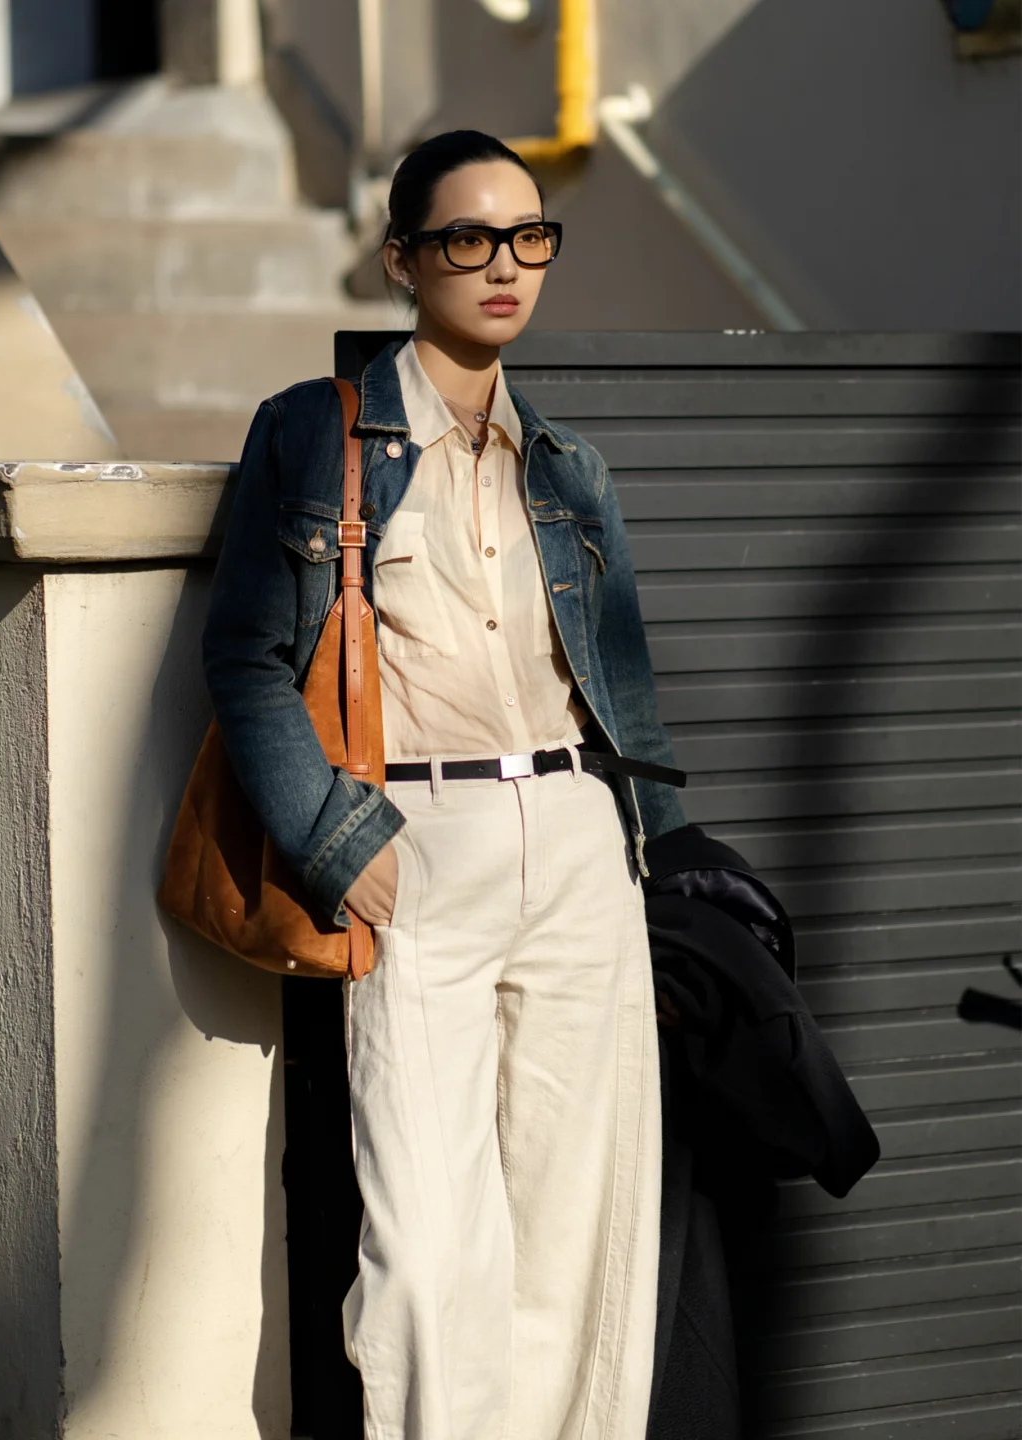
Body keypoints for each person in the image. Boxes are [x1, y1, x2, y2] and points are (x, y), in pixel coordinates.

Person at [203, 129, 686, 1440]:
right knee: (425, 1253)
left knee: (577, 1239)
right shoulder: (316, 435)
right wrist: (336, 839)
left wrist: (663, 852)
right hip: (415, 848)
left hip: (578, 848)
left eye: (530, 236)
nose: (505, 265)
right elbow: (245, 657)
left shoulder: (570, 466)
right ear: (403, 259)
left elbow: (621, 681)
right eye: (469, 238)